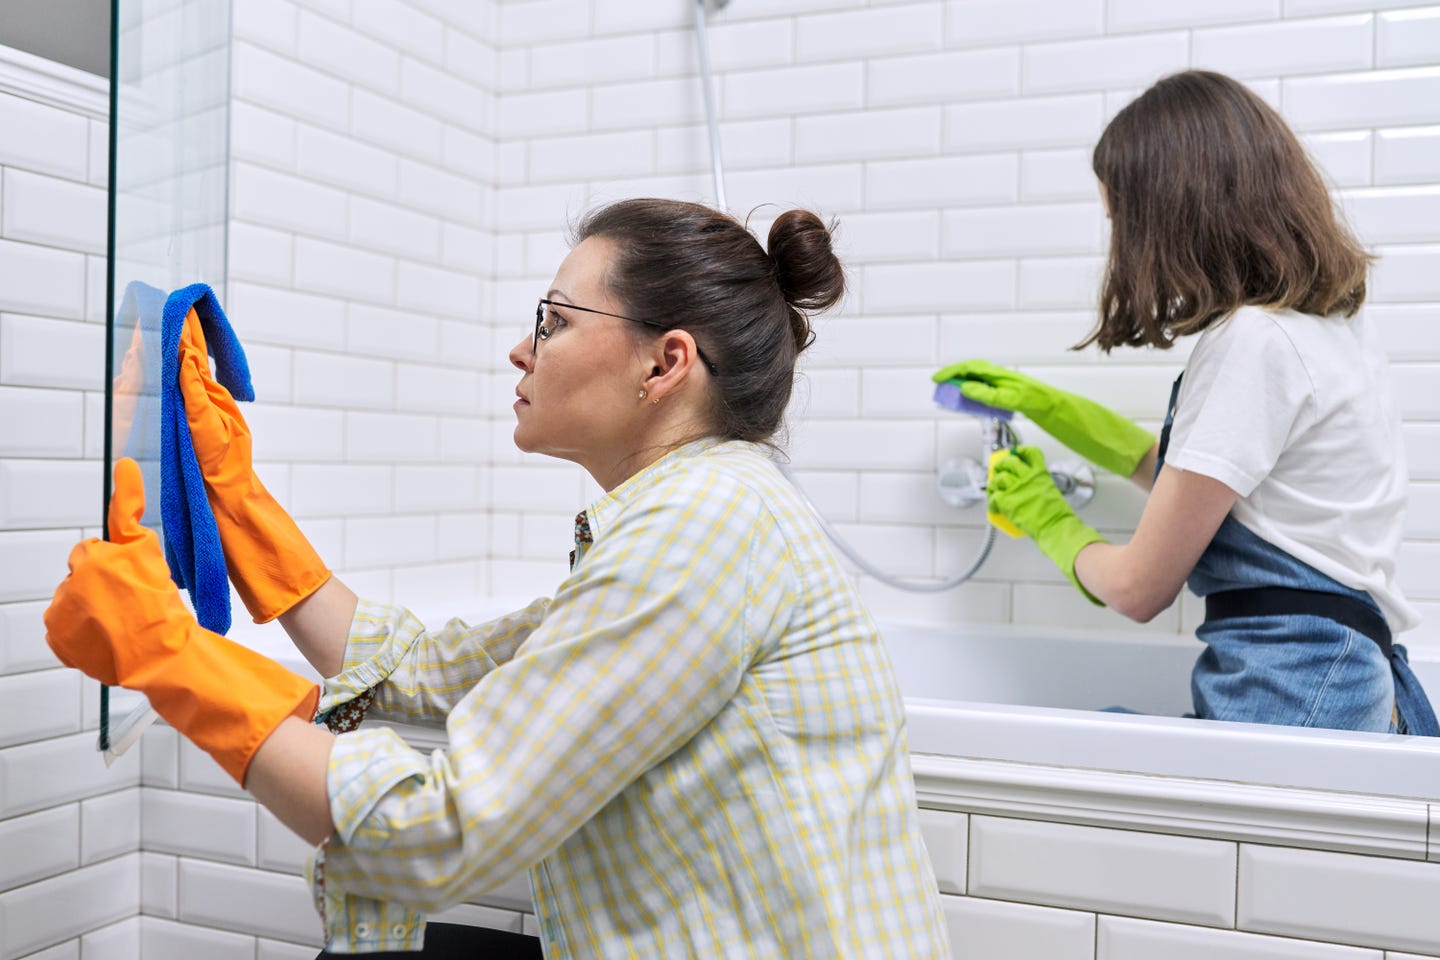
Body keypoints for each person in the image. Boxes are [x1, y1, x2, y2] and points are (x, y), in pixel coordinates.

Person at [46, 198, 952, 958]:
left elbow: (438, 835)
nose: (523, 351)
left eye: (553, 322)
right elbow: (429, 669)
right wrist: (239, 506)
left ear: (664, 363)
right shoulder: (700, 512)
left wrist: (166, 656)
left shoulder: (701, 533)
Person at [935, 70, 1437, 736]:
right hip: (1338, 682)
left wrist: (1046, 517)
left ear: (1171, 214)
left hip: (1299, 689)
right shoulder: (1328, 326)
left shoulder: (1254, 343)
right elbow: (1228, 497)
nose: (1122, 242)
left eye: (1122, 219)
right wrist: (1060, 413)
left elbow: (1139, 588)